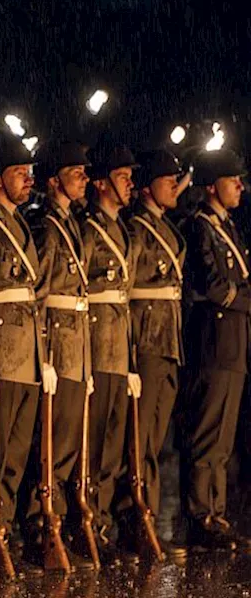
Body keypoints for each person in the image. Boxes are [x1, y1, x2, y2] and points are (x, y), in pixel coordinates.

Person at [0, 132, 53, 564]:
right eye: (18, 172)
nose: (27, 180)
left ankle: (6, 524)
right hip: (2, 350)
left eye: (29, 172)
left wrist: (45, 356)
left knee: (17, 452)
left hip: (27, 353)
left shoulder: (19, 222)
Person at [179, 149, 251, 550]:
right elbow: (216, 287)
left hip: (233, 345)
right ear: (212, 186)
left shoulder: (228, 227)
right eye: (232, 179)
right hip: (213, 344)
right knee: (208, 433)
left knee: (223, 438)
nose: (239, 186)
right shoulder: (201, 228)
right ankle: (200, 516)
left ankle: (215, 511)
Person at [26, 141, 94, 559]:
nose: (84, 179)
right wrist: (45, 354)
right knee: (51, 444)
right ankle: (40, 525)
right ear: (55, 181)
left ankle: (57, 523)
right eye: (76, 173)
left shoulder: (70, 223)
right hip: (58, 341)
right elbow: (39, 295)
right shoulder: (48, 227)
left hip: (77, 343)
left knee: (68, 443)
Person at [80, 145, 142, 559]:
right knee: (96, 442)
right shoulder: (88, 230)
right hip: (97, 346)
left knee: (115, 445)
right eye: (122, 177)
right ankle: (88, 524)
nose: (130, 184)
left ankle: (101, 523)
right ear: (101, 183)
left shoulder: (124, 230)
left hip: (119, 347)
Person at [126, 149, 188, 558]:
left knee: (156, 439)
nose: (176, 187)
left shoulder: (165, 227)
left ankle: (146, 518)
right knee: (141, 438)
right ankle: (137, 518)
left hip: (168, 340)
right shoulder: (136, 230)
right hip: (146, 339)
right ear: (148, 187)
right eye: (169, 181)